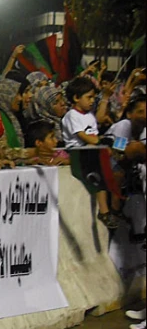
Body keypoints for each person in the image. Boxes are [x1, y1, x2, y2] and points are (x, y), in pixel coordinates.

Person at [62, 76, 118, 229]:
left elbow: (98, 120)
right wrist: (101, 142)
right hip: (79, 153)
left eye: (94, 97)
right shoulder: (72, 116)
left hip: (94, 149)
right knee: (97, 173)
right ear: (76, 98)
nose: (92, 100)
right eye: (89, 97)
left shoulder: (88, 114)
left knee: (120, 144)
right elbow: (84, 137)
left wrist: (105, 97)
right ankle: (105, 211)